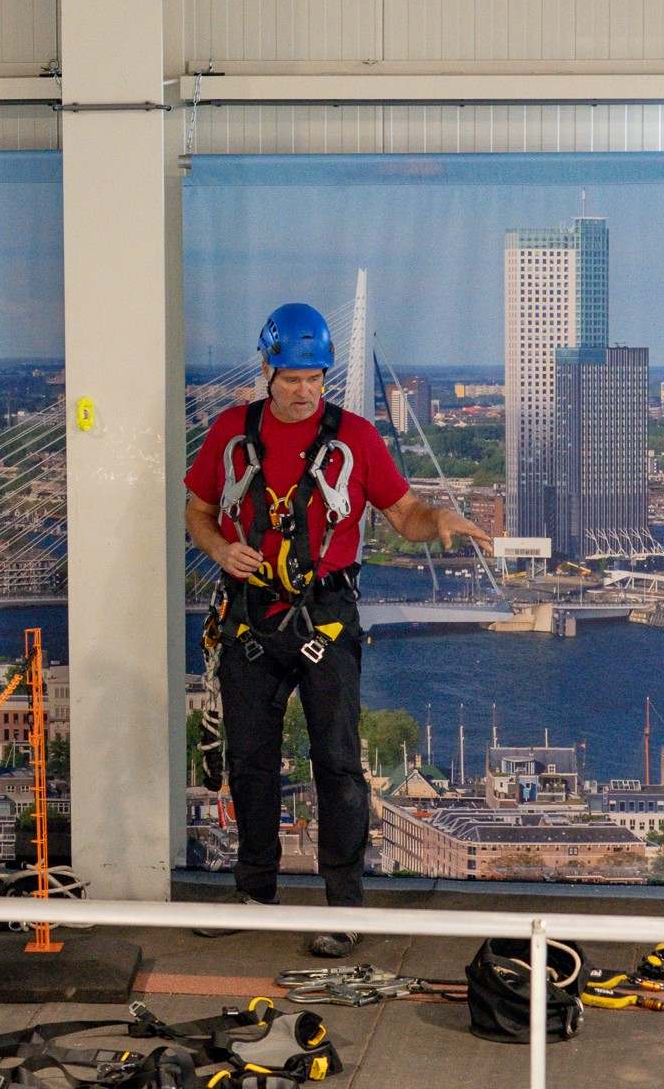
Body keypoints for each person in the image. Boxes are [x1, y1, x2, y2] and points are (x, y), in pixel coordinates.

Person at [183, 303, 491, 957]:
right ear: (266, 370)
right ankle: (255, 891)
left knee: (339, 763)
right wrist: (217, 550)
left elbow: (402, 511)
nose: (305, 391)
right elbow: (200, 510)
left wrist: (439, 522)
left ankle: (345, 908)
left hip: (326, 614)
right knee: (252, 762)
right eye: (293, 378)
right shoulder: (230, 432)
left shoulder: (354, 436)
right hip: (249, 615)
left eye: (316, 377)